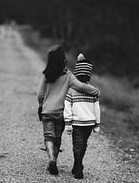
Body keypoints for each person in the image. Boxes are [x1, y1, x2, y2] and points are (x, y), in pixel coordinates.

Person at [37, 45, 99, 175]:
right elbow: (81, 86)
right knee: (57, 138)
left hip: (47, 111)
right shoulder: (68, 76)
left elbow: (40, 95)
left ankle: (52, 159)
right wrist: (95, 91)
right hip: (60, 113)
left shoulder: (46, 75)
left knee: (48, 136)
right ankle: (54, 159)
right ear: (63, 61)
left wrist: (41, 105)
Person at [64, 53, 101, 179]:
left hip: (77, 123)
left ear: (76, 74)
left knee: (77, 145)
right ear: (89, 75)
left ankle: (78, 166)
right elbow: (97, 109)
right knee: (83, 144)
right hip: (89, 123)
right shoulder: (93, 91)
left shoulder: (71, 91)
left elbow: (67, 107)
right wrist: (97, 124)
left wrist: (68, 123)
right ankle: (78, 165)